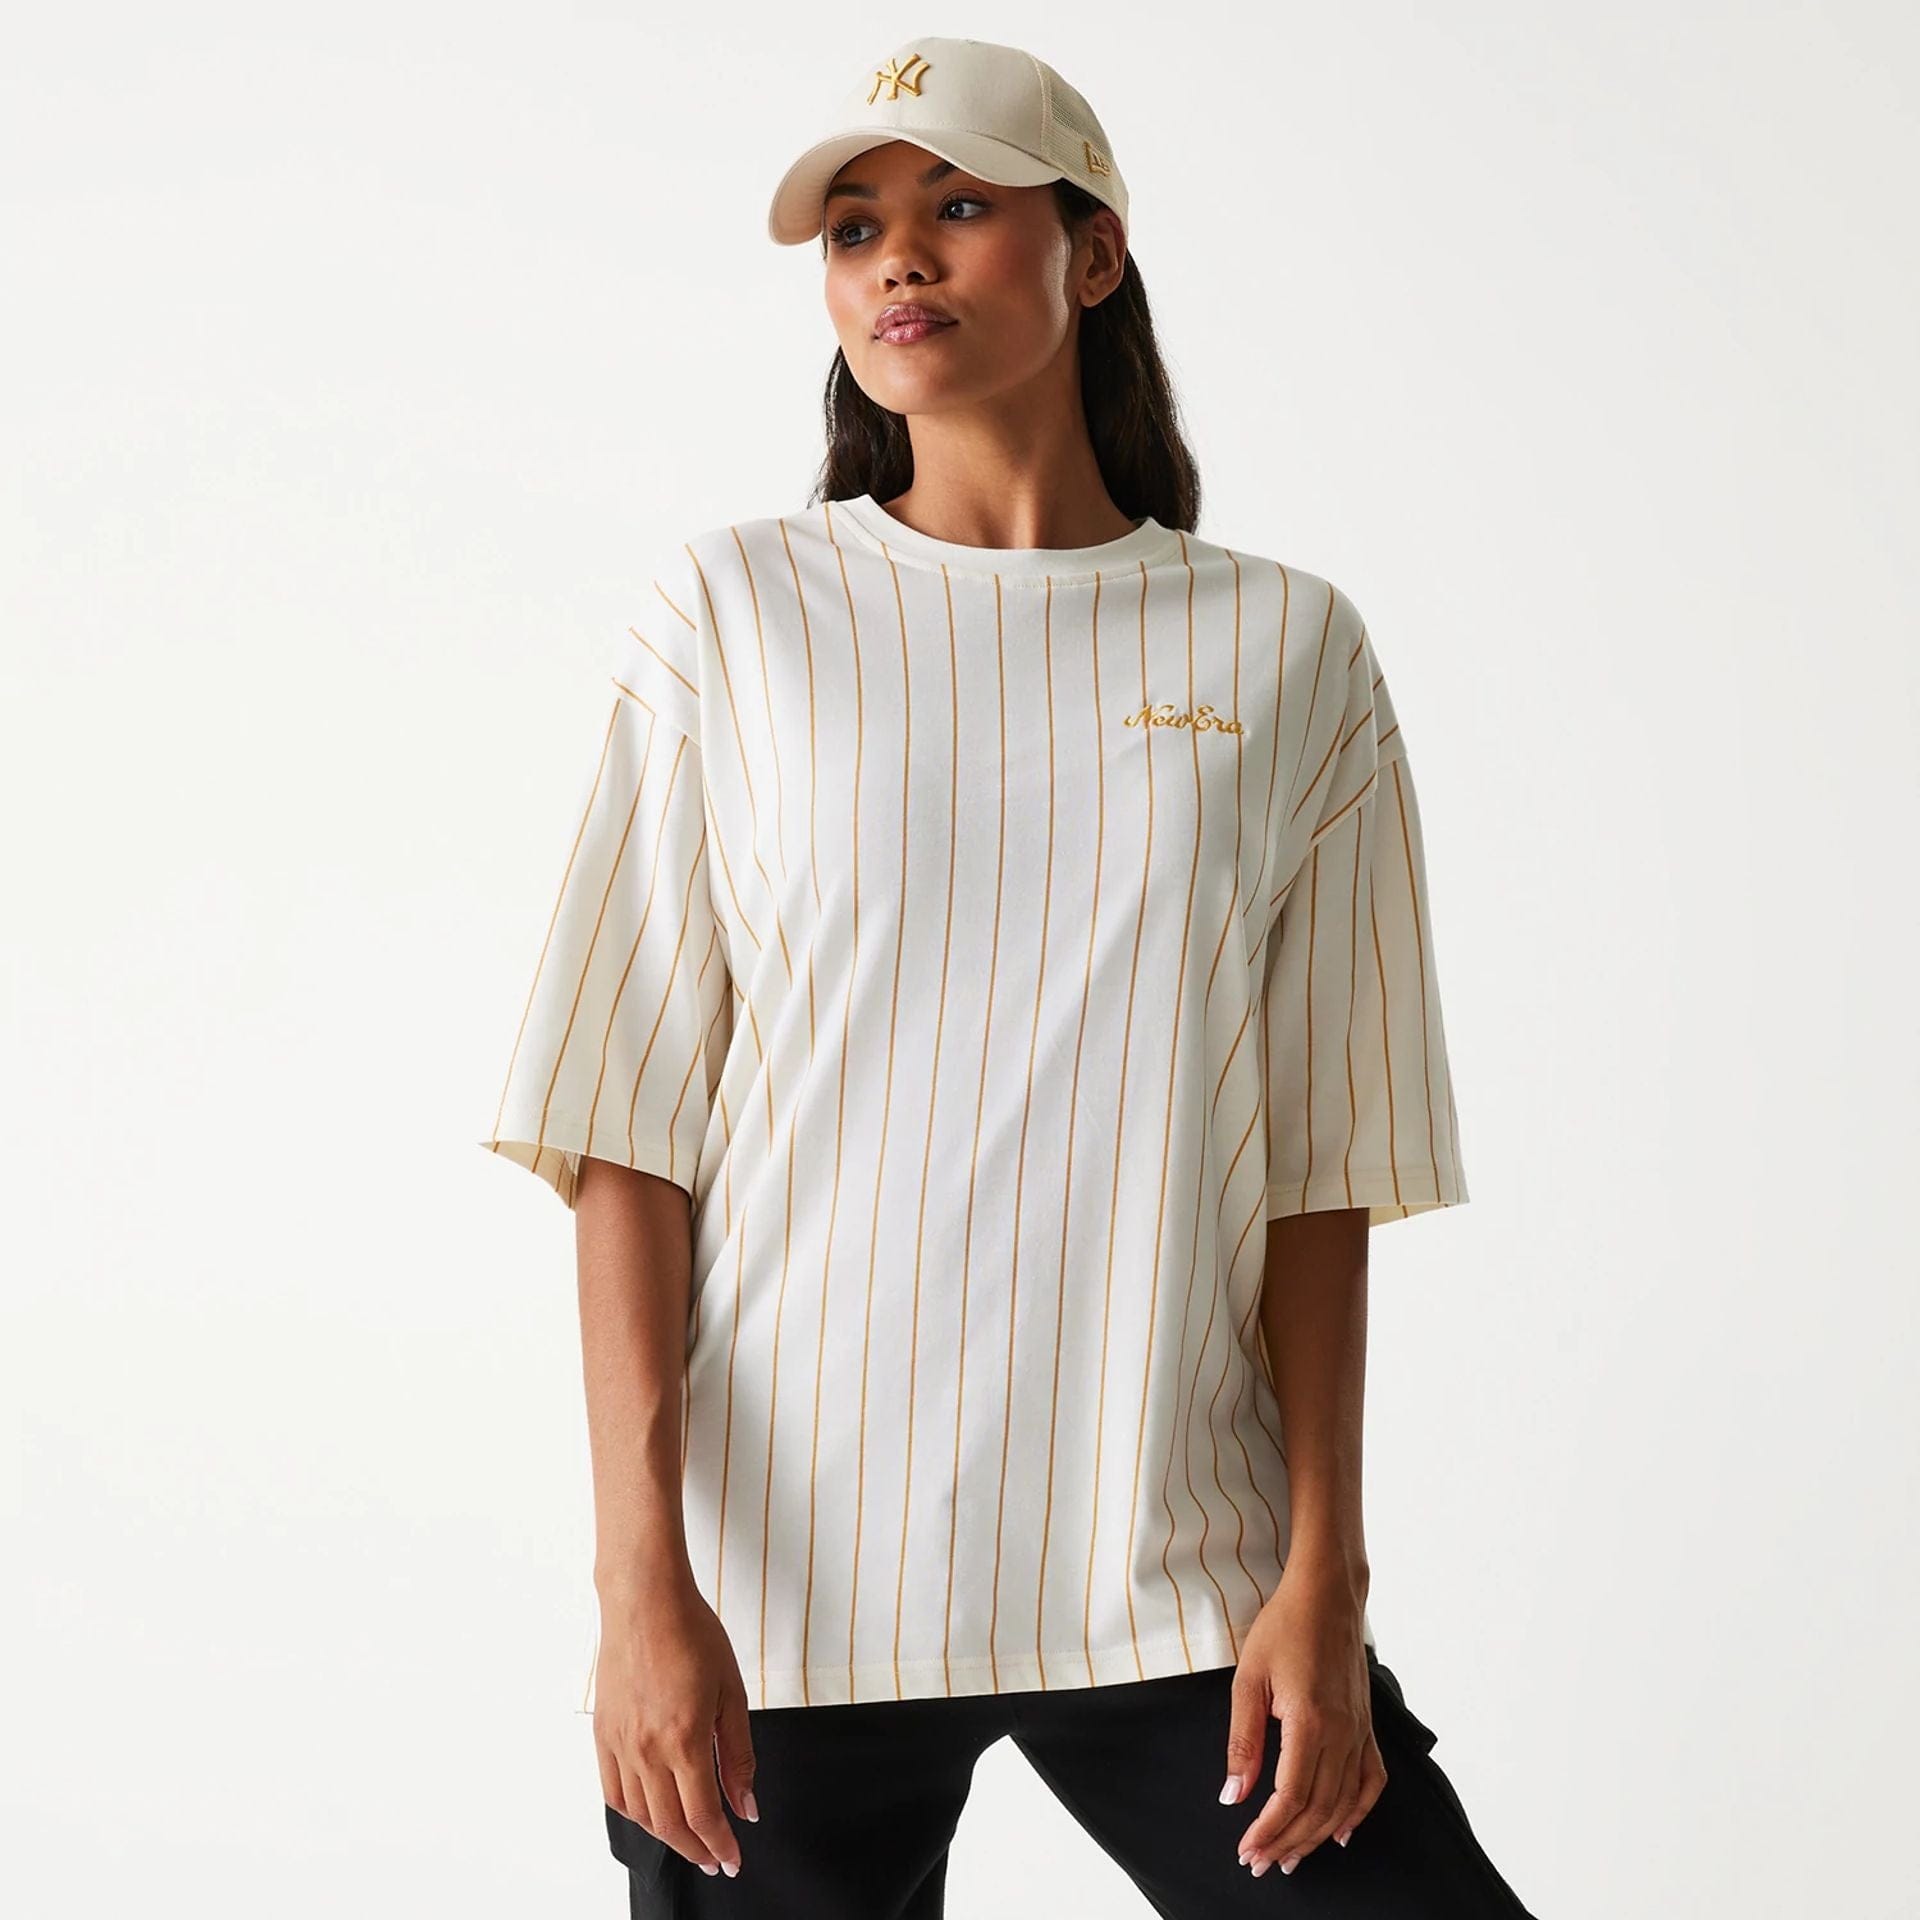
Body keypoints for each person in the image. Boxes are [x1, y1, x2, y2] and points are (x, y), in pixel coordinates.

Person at [480, 32, 1537, 1919]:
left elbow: (1321, 1165)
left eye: (960, 205)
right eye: (855, 226)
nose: (899, 255)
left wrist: (1327, 1577)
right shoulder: (735, 616)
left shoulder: (1283, 648)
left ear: (1095, 251)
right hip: (787, 1604)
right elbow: (625, 1131)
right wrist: (641, 1588)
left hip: (1182, 1575)